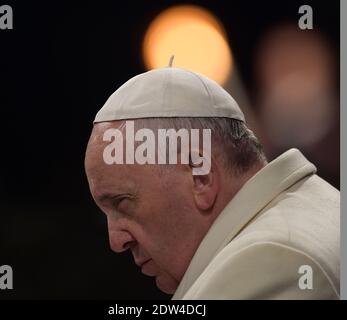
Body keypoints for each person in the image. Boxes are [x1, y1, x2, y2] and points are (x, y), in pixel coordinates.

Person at [84, 67, 340, 299]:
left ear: (200, 177)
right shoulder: (317, 209)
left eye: (121, 202)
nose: (116, 242)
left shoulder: (268, 260)